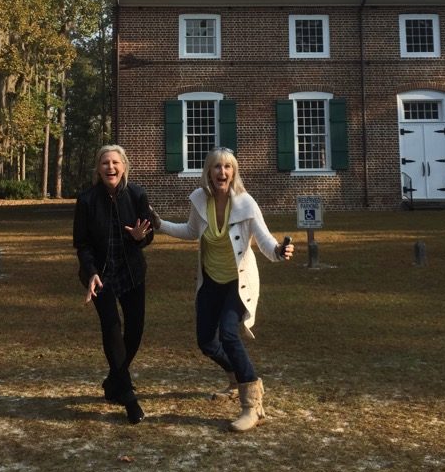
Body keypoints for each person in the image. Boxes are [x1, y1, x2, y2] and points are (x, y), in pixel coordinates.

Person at [151, 147, 294, 432]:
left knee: (229, 334)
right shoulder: (200, 200)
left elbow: (264, 241)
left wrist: (280, 250)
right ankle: (235, 375)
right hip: (210, 280)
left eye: (228, 167)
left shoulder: (246, 204)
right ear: (209, 172)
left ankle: (252, 404)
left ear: (234, 173)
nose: (222, 172)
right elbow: (192, 232)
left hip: (237, 283)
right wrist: (160, 225)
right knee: (206, 341)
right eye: (217, 167)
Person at [72, 144, 153, 424]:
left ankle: (113, 381)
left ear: (124, 166)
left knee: (135, 330)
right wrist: (91, 271)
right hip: (101, 275)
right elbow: (81, 244)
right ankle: (128, 396)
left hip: (131, 272)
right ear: (98, 168)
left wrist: (140, 237)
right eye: (105, 163)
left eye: (115, 162)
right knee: (112, 328)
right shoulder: (86, 200)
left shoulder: (137, 195)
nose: (110, 167)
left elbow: (148, 236)